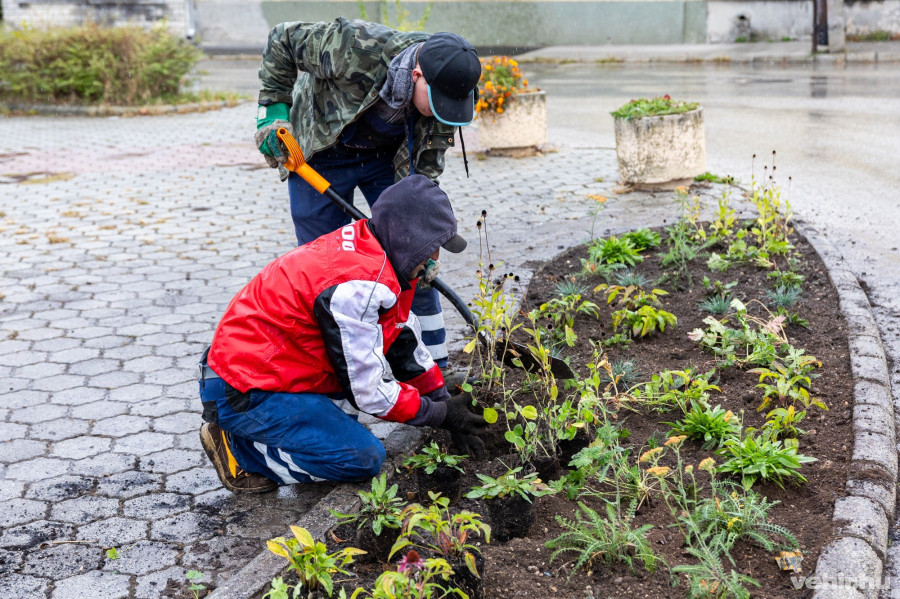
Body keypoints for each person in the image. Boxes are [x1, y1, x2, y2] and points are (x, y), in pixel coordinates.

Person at [197, 176, 487, 493]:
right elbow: (369, 393)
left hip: (266, 366)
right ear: (410, 239)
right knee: (360, 458)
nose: (436, 260)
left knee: (347, 412)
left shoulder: (379, 252)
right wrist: (439, 415)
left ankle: (275, 430)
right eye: (432, 249)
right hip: (242, 388)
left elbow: (405, 338)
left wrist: (442, 399)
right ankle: (241, 453)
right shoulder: (357, 288)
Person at [253, 17, 481, 369]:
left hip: (386, 157)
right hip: (320, 154)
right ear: (417, 74)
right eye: (436, 102)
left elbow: (426, 173)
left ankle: (433, 368)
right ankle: (332, 372)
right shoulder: (355, 47)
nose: (442, 113)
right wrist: (272, 113)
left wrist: (424, 235)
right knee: (324, 269)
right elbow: (282, 39)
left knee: (414, 255)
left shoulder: (449, 89)